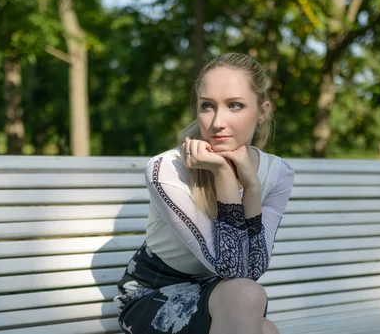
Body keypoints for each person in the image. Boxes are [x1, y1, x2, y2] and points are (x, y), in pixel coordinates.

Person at [114, 52, 295, 334]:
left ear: (262, 111)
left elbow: (252, 269)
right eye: (207, 106)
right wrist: (223, 173)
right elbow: (232, 269)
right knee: (252, 308)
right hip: (154, 294)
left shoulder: (278, 173)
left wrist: (253, 187)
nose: (217, 122)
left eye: (235, 105)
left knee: (259, 316)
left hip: (219, 293)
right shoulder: (167, 170)